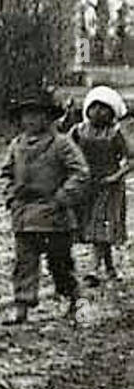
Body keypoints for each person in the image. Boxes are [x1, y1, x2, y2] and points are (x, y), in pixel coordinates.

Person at [0, 88, 90, 325]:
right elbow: (8, 173)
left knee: (60, 264)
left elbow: (80, 172)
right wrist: (11, 195)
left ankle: (75, 300)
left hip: (54, 216)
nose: (30, 120)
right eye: (25, 115)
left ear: (48, 118)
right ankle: (22, 307)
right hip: (24, 214)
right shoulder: (16, 145)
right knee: (24, 263)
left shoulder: (61, 144)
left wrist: (62, 197)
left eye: (36, 114)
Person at [67, 85, 128, 284]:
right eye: (94, 107)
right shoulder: (79, 131)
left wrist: (116, 176)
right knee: (95, 228)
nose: (98, 112)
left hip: (108, 187)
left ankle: (93, 270)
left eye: (104, 108)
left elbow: (132, 159)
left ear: (112, 112)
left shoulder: (115, 134)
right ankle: (110, 268)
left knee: (100, 227)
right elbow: (65, 150)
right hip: (87, 185)